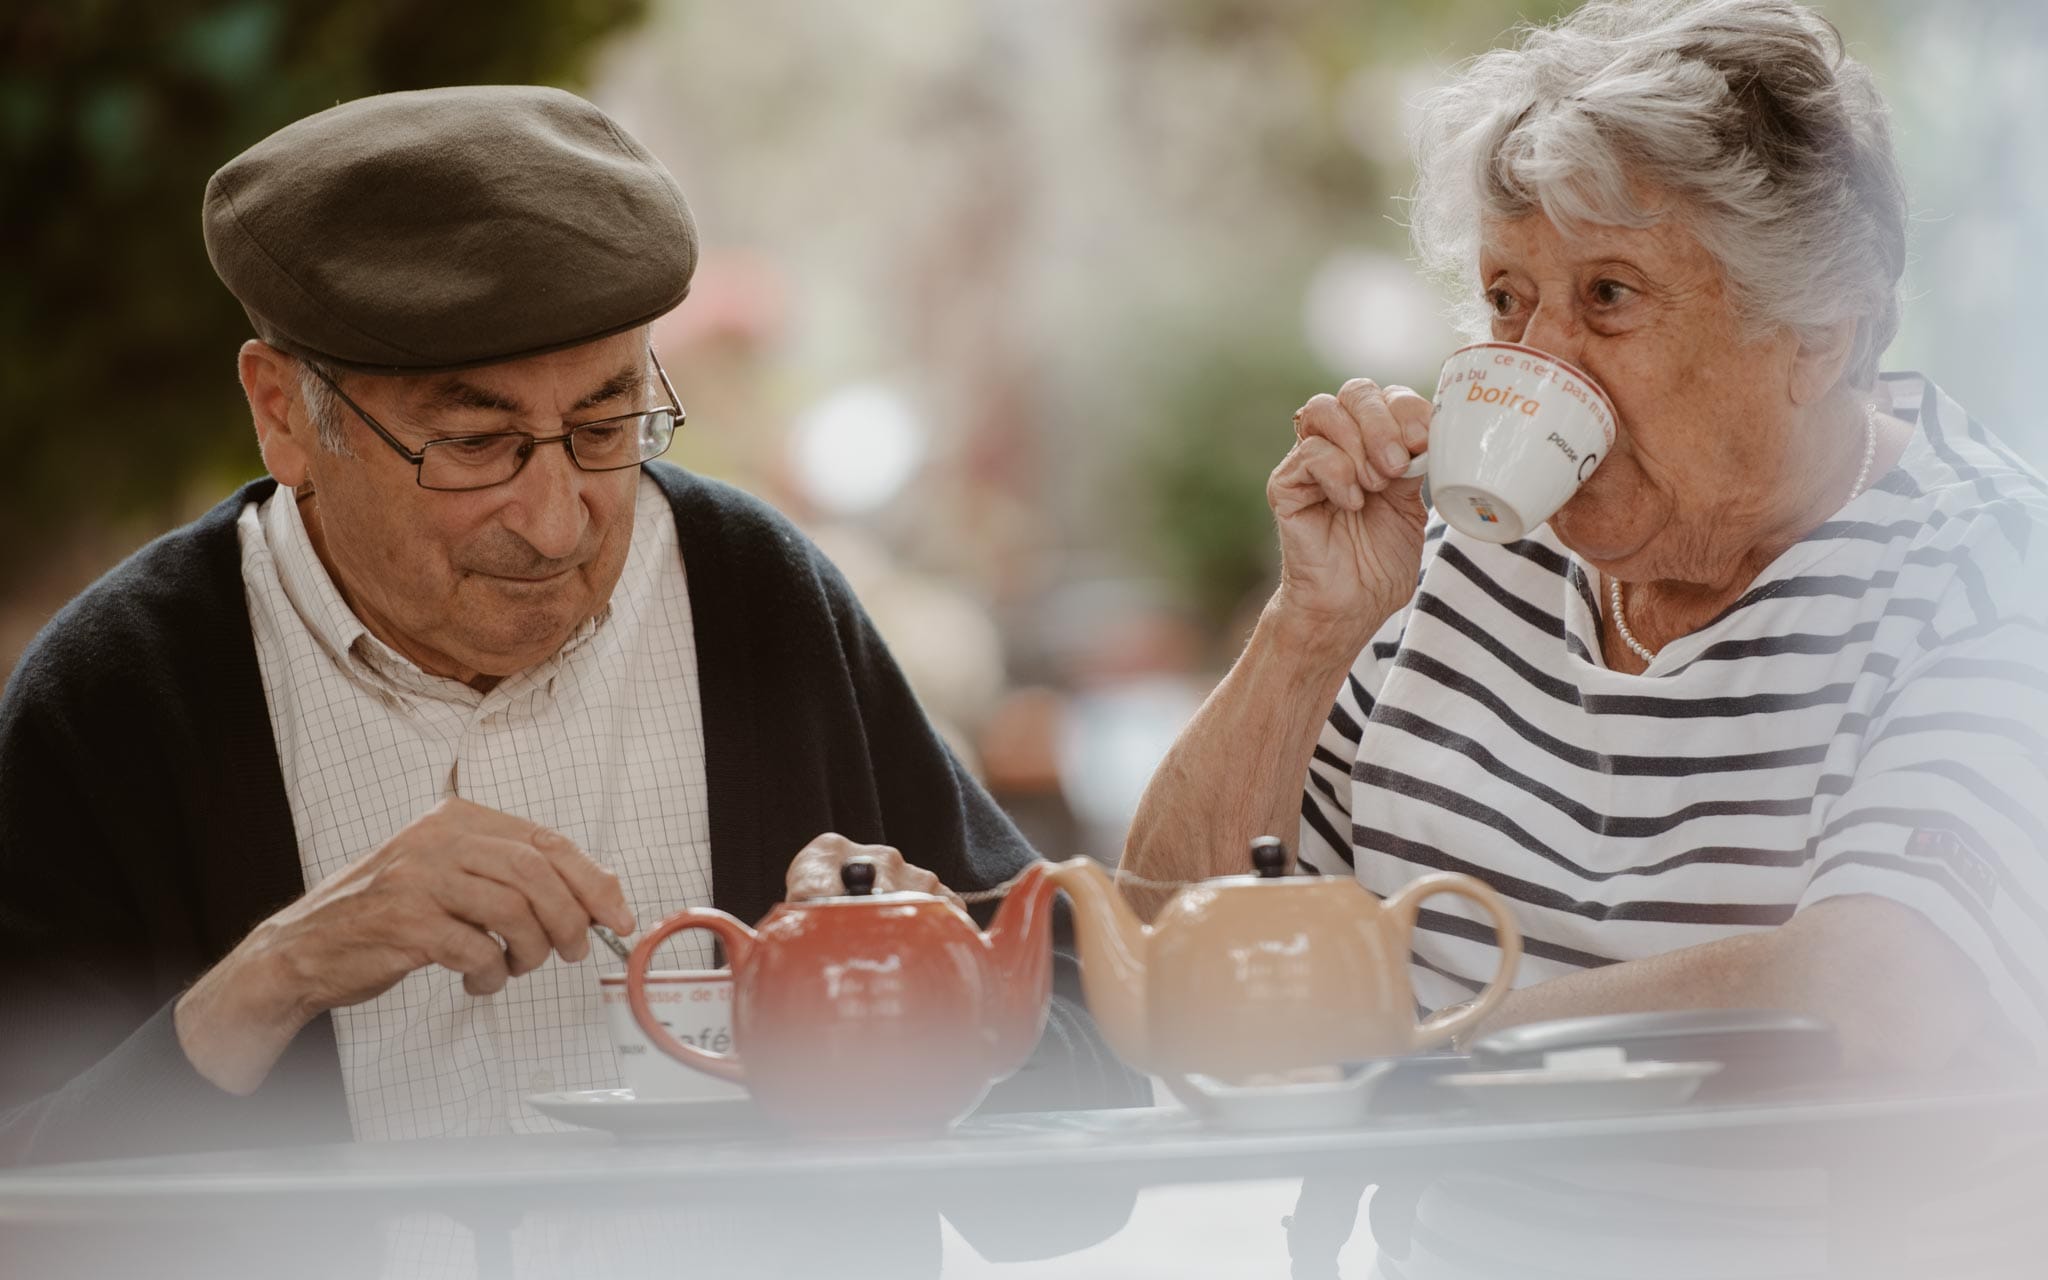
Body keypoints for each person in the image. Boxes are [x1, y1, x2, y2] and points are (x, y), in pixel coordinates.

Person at [0, 85, 1137, 1168]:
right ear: (282, 413)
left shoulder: (756, 599)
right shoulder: (121, 696)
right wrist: (266, 981)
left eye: (605, 425)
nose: (555, 526)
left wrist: (928, 994)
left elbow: (1077, 1113)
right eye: (475, 443)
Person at [1124, 0, 2048, 1075]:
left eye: (1606, 295)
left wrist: (1416, 1060)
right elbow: (1163, 970)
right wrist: (1306, 633)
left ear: (1813, 334)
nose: (1537, 362)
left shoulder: (1984, 570)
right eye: (1505, 299)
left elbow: (1881, 989)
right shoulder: (1457, 553)